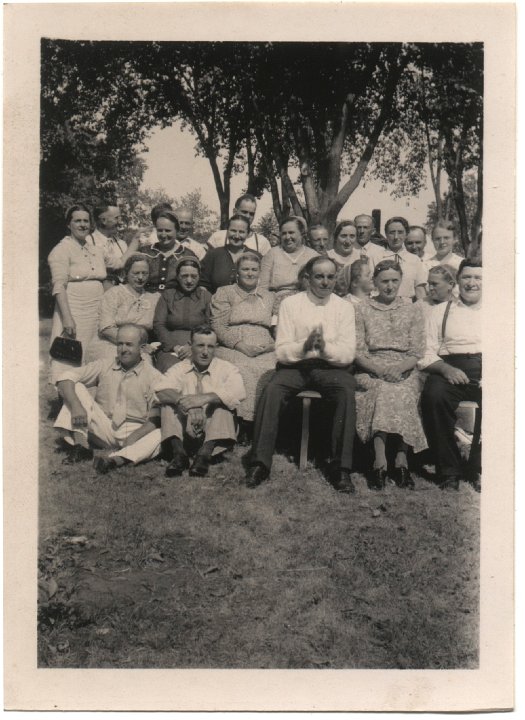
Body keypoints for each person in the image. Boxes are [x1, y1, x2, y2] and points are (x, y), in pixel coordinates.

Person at [246, 256, 357, 494]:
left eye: (330, 277)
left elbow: (347, 354)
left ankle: (341, 469)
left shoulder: (345, 307)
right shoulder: (290, 304)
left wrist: (324, 349)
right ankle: (259, 463)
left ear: (335, 278)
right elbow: (282, 351)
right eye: (319, 276)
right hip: (295, 366)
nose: (325, 282)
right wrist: (304, 347)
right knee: (273, 389)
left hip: (331, 368)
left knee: (346, 391)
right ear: (308, 278)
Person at [354, 260, 427, 490]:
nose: (389, 286)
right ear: (374, 282)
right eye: (384, 281)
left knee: (405, 390)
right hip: (371, 368)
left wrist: (400, 368)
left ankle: (402, 460)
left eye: (395, 280)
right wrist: (380, 371)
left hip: (404, 368)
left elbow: (417, 351)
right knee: (383, 391)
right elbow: (357, 351)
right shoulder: (361, 308)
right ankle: (380, 461)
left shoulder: (412, 309)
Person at [54, 324, 164, 472]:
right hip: (104, 427)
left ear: (142, 348)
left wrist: (135, 436)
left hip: (134, 430)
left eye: (129, 345)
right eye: (120, 344)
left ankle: (115, 460)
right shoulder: (105, 364)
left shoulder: (153, 376)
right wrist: (76, 407)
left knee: (161, 434)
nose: (123, 349)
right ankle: (81, 447)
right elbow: (65, 377)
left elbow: (156, 417)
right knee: (76, 387)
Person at [419, 259, 482, 492]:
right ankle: (449, 469)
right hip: (450, 365)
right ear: (458, 281)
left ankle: (480, 467)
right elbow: (425, 351)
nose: (472, 283)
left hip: (490, 366)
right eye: (467, 277)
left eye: (478, 278)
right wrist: (446, 369)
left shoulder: (500, 310)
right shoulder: (439, 312)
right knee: (434, 397)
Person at [154, 326, 246, 478]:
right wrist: (185, 403)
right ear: (190, 346)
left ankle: (204, 455)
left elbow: (239, 392)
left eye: (210, 346)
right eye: (200, 345)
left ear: (216, 347)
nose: (205, 352)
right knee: (167, 404)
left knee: (223, 403)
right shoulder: (179, 368)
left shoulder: (227, 368)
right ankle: (179, 455)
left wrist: (204, 398)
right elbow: (160, 390)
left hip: (215, 433)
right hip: (186, 432)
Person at [210, 251, 277, 425]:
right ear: (237, 272)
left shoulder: (269, 297)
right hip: (233, 344)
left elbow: (277, 327)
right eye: (245, 269)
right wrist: (239, 345)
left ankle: (266, 421)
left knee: (273, 366)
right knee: (243, 366)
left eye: (254, 269)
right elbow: (218, 326)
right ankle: (245, 422)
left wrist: (272, 346)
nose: (249, 273)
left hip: (265, 344)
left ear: (259, 272)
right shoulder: (225, 292)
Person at [48, 203, 107, 382]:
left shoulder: (95, 249)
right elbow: (58, 286)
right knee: (69, 357)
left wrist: (135, 240)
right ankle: (66, 400)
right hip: (74, 310)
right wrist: (67, 319)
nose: (82, 225)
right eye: (77, 221)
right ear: (69, 224)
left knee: (92, 354)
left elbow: (119, 263)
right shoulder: (61, 250)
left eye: (86, 221)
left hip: (96, 309)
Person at [85, 254, 161, 363]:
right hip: (111, 343)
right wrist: (132, 345)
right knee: (114, 363)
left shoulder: (153, 297)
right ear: (126, 273)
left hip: (140, 348)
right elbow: (106, 328)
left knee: (145, 364)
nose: (140, 277)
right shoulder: (114, 293)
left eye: (144, 273)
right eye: (136, 273)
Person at [152, 257, 212, 373]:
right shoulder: (168, 296)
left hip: (201, 346)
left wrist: (194, 346)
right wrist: (174, 347)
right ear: (178, 276)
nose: (189, 281)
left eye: (193, 276)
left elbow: (210, 326)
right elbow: (159, 324)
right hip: (170, 347)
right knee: (171, 368)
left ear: (199, 276)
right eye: (184, 276)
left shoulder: (206, 297)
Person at [258, 217, 318, 305]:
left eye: (291, 233)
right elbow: (262, 287)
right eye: (284, 233)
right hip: (277, 303)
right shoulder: (272, 254)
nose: (287, 237)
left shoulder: (313, 256)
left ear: (301, 234)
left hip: (307, 302)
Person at [141, 210, 197, 292]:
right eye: (160, 230)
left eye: (168, 231)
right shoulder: (145, 252)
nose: (163, 235)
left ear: (177, 231)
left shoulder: (187, 255)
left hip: (176, 301)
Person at [200, 214, 253, 293]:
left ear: (248, 234)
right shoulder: (213, 255)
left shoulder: (255, 256)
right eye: (233, 230)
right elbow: (202, 284)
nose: (237, 236)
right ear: (227, 231)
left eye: (241, 232)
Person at [207, 193, 271, 256]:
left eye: (251, 214)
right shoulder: (218, 237)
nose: (248, 216)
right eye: (244, 212)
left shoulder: (262, 242)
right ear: (235, 211)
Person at [381, 217, 427, 300]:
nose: (396, 237)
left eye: (400, 232)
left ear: (406, 234)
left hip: (407, 307)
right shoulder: (376, 257)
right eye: (392, 232)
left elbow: (420, 290)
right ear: (386, 234)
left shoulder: (415, 260)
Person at [90, 204, 131, 287]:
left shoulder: (122, 244)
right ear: (103, 220)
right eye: (116, 218)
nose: (120, 222)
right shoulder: (89, 242)